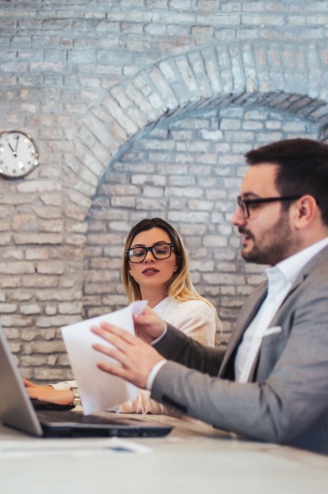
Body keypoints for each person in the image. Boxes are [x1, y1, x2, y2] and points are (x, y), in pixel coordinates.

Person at [93, 138, 328, 454]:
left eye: (251, 204)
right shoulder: (269, 289)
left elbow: (276, 413)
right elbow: (233, 369)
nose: (236, 218)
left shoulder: (322, 288)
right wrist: (165, 336)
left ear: (302, 211)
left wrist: (156, 372)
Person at [24, 218, 218, 411]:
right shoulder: (134, 317)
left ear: (178, 261)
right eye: (138, 253)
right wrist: (50, 390)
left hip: (181, 436)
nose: (148, 258)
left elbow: (178, 397)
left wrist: (75, 397)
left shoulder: (195, 311)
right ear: (129, 268)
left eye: (160, 250)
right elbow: (112, 384)